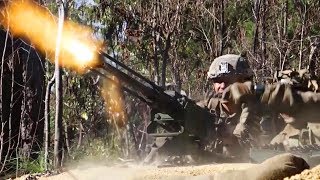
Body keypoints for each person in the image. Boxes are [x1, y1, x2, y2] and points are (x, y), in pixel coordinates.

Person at [197, 54, 264, 161]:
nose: (222, 86)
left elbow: (248, 142)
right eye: (218, 81)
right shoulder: (209, 106)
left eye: (228, 80)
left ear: (243, 82)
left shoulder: (259, 105)